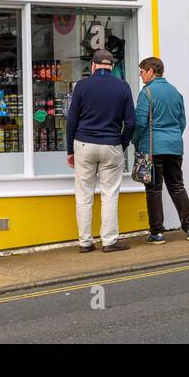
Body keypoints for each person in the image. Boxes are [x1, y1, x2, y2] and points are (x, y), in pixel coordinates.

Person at [66, 48, 136, 253]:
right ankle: (109, 240)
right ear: (112, 67)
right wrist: (121, 144)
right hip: (111, 145)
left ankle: (85, 242)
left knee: (84, 194)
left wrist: (70, 149)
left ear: (93, 66)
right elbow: (130, 122)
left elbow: (72, 120)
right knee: (110, 194)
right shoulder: (123, 86)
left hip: (84, 144)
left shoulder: (82, 86)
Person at [132, 57, 189, 242]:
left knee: (154, 189)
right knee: (177, 186)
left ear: (151, 71)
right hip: (175, 147)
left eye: (142, 72)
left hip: (153, 148)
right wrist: (173, 138)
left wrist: (134, 141)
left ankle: (157, 232)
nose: (141, 76)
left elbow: (140, 123)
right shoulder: (175, 92)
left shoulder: (147, 93)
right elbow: (182, 122)